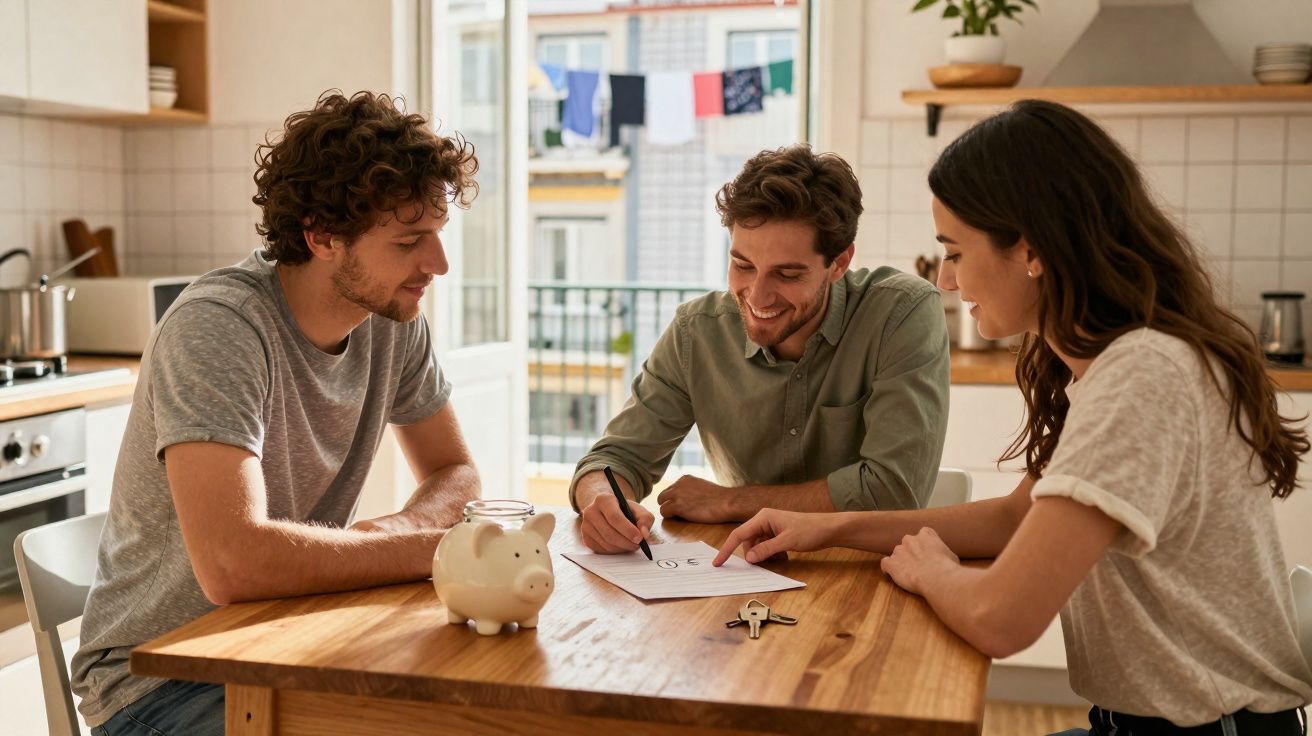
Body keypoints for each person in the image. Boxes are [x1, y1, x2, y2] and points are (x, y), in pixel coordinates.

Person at [715, 100, 1312, 735]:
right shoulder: (1121, 363)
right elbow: (1012, 519)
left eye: (955, 251)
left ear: (1029, 249)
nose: (945, 280)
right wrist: (824, 528)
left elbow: (1001, 620)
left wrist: (935, 571)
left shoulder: (1142, 378)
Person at [70, 91, 483, 736]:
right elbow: (235, 565)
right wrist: (434, 549)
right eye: (409, 242)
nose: (437, 265)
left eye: (436, 235)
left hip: (287, 641)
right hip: (159, 683)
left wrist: (391, 534)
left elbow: (456, 471)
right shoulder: (221, 326)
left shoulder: (393, 319)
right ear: (322, 237)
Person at [574, 143, 951, 555]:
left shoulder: (902, 313)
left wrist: (731, 501)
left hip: (866, 574)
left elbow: (893, 492)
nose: (757, 296)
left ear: (839, 263)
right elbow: (614, 459)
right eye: (743, 265)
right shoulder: (696, 332)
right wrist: (602, 500)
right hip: (744, 575)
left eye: (787, 274)